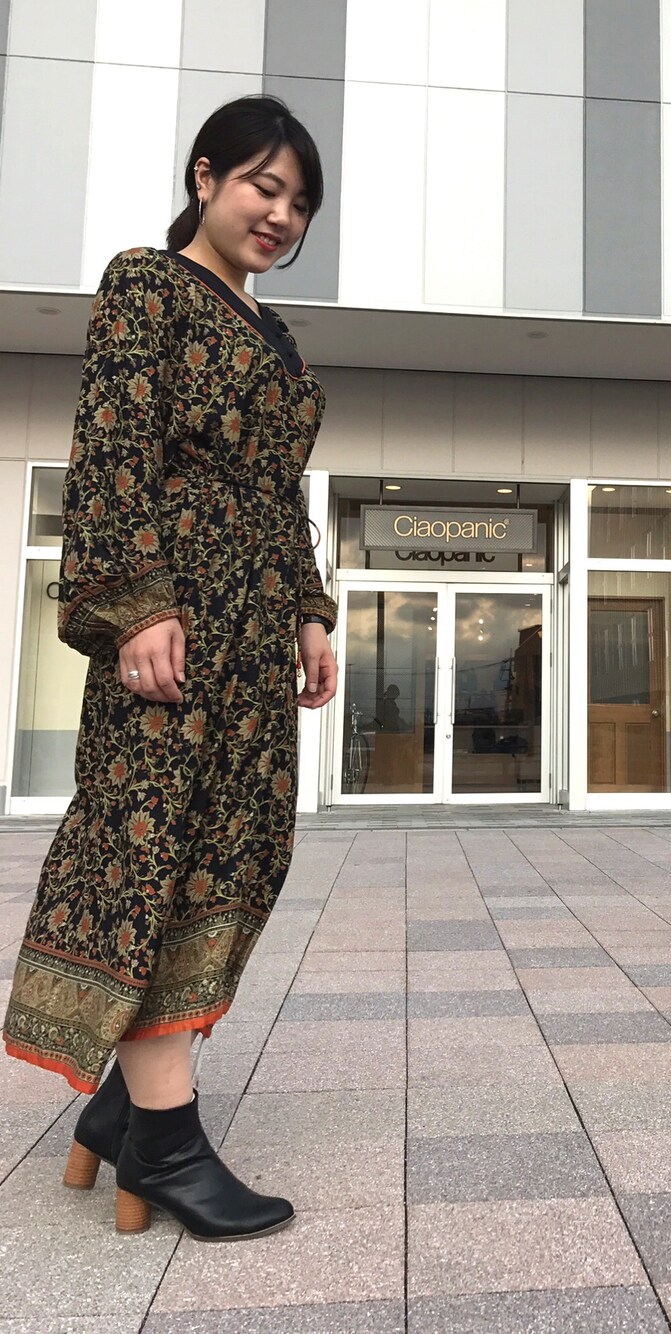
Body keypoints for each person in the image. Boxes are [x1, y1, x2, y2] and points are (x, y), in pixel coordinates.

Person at [2, 96, 338, 1241]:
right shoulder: (146, 283)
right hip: (177, 624)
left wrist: (308, 614)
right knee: (151, 853)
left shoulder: (276, 335)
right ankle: (165, 1137)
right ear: (206, 177)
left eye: (299, 202)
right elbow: (112, 447)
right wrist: (138, 604)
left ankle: (119, 1107)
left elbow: (279, 497)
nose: (280, 214)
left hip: (252, 639)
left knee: (236, 849)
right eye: (263, 186)